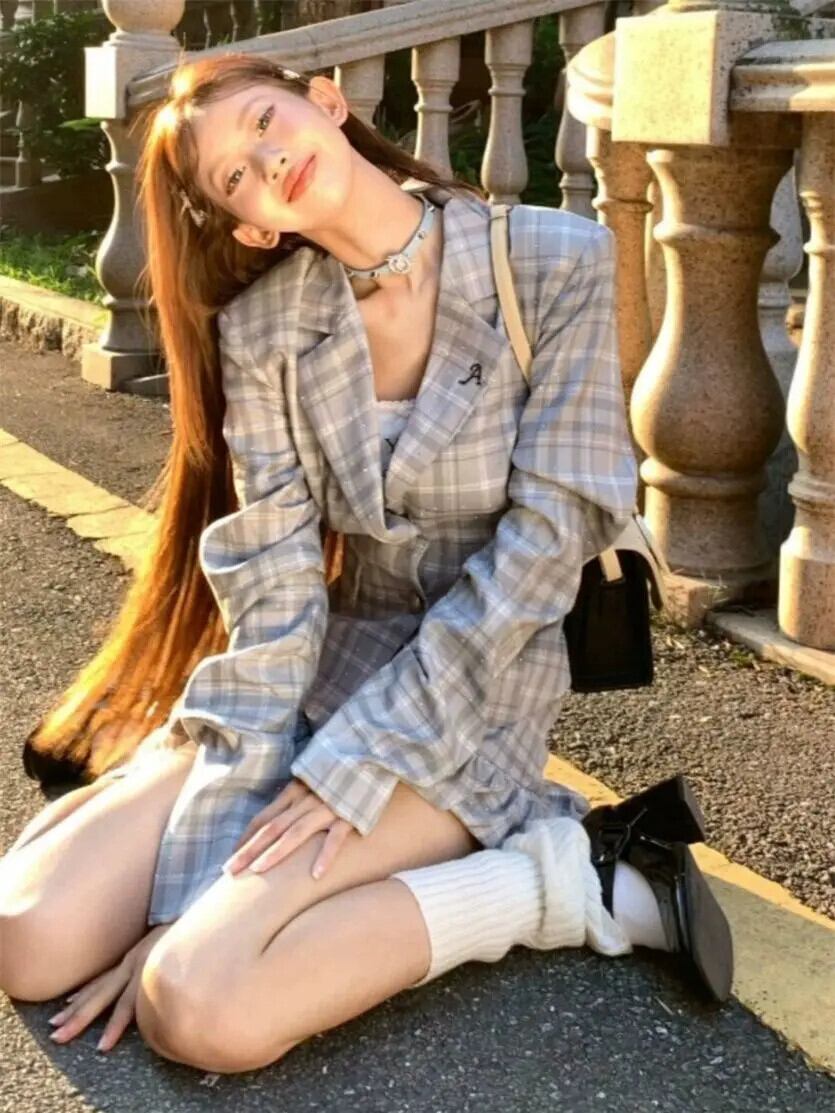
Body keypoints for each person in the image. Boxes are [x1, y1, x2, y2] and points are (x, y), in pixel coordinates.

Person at [0, 53, 733, 1073]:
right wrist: (188, 877)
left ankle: (569, 877)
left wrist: (352, 765)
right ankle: (193, 839)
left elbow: (544, 546)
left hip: (478, 689)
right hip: (309, 666)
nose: (266, 162)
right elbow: (274, 585)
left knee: (196, 1008)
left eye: (265, 123)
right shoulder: (263, 330)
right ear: (251, 228)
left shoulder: (550, 260)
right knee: (28, 937)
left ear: (325, 103)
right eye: (234, 177)